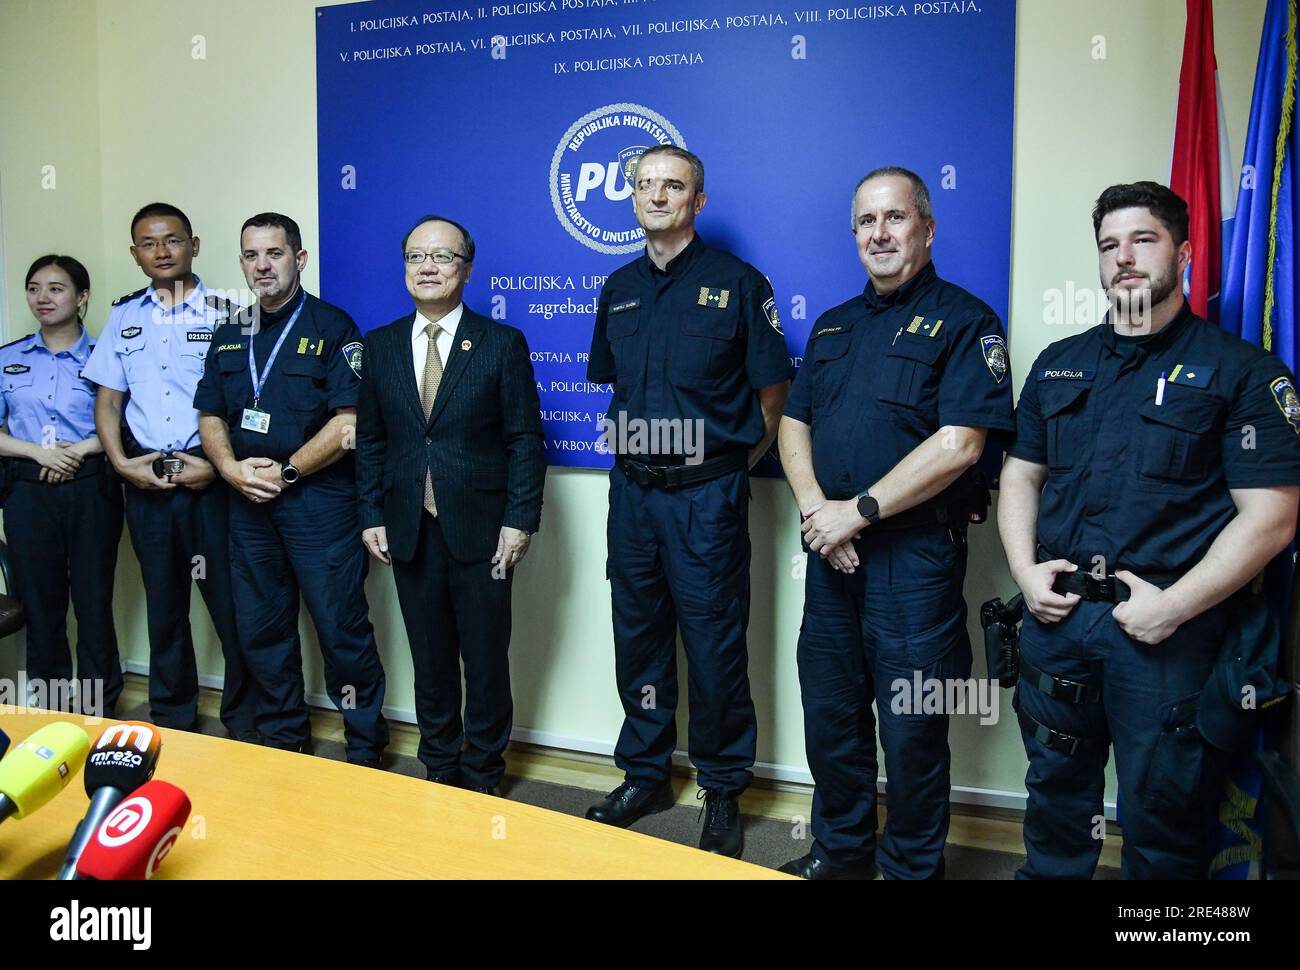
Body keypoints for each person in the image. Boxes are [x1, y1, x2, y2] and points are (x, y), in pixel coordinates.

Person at [997, 181, 1300, 879]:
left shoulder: (1242, 374)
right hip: (1060, 618)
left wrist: (1173, 607)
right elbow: (1020, 474)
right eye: (1109, 245)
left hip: (1166, 634)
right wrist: (1022, 569)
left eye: (1143, 240)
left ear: (1184, 252)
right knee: (1053, 806)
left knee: (1165, 822)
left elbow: (1272, 516)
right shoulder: (1059, 362)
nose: (1123, 257)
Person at [778, 167, 1015, 880]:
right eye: (865, 222)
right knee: (832, 714)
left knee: (912, 731)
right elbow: (794, 425)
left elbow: (962, 443)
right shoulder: (834, 324)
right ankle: (842, 852)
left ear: (927, 228)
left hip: (912, 561)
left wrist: (859, 512)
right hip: (832, 555)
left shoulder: (969, 321)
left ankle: (911, 868)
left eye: (895, 218)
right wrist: (822, 514)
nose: (879, 234)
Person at [584, 146, 791, 857]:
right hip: (633, 496)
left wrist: (724, 471)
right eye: (646, 186)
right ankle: (644, 774)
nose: (657, 196)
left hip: (707, 498)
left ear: (698, 201)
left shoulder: (738, 284)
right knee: (637, 639)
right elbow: (615, 385)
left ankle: (723, 787)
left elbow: (772, 398)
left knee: (713, 648)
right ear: (633, 197)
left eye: (673, 186)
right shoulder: (617, 287)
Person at [356, 215, 544, 795]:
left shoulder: (500, 343)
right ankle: (439, 764)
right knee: (430, 656)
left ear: (466, 268)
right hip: (409, 527)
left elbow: (523, 440)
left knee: (485, 659)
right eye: (415, 257)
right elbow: (372, 439)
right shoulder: (381, 345)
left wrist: (519, 520)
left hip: (483, 529)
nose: (427, 267)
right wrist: (372, 514)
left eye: (441, 257)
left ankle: (485, 768)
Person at [195, 212, 389, 766]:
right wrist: (230, 468)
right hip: (246, 505)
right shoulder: (231, 330)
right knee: (262, 630)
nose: (262, 265)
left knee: (340, 630)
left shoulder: (334, 328)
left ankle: (366, 748)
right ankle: (285, 741)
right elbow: (210, 413)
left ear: (299, 259)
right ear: (241, 263)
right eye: (251, 255)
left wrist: (286, 474)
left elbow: (348, 422)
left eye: (274, 254)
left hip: (317, 504)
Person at [83, 202, 257, 738]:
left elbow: (254, 398)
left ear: (195, 245)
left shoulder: (233, 310)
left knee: (231, 607)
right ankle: (174, 718)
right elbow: (109, 401)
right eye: (149, 243)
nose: (162, 251)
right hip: (147, 482)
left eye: (173, 240)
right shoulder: (124, 316)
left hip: (212, 483)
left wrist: (217, 466)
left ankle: (246, 721)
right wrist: (119, 463)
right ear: (136, 254)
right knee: (164, 607)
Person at [0, 255, 122, 715]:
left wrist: (77, 452)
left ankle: (99, 709)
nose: (43, 298)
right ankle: (51, 712)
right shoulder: (7, 359)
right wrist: (40, 454)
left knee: (93, 602)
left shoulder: (106, 359)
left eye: (56, 288)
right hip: (27, 491)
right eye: (34, 288)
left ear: (82, 296)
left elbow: (124, 424)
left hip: (91, 486)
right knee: (41, 603)